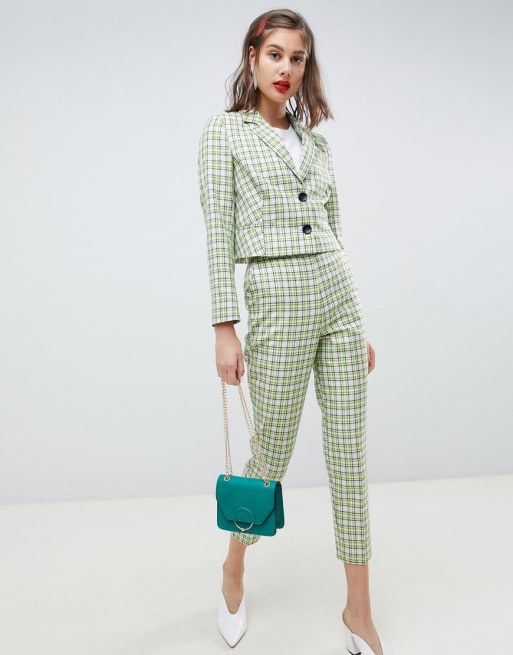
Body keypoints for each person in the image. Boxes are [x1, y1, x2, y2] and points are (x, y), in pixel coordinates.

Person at [198, 9, 386, 655]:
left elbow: (335, 232)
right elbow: (217, 232)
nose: (286, 68)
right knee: (270, 455)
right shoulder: (224, 133)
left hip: (338, 297)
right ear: (252, 58)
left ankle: (358, 610)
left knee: (349, 452)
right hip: (275, 299)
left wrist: (356, 323)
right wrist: (224, 327)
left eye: (297, 58)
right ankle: (233, 565)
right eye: (274, 54)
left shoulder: (318, 145)